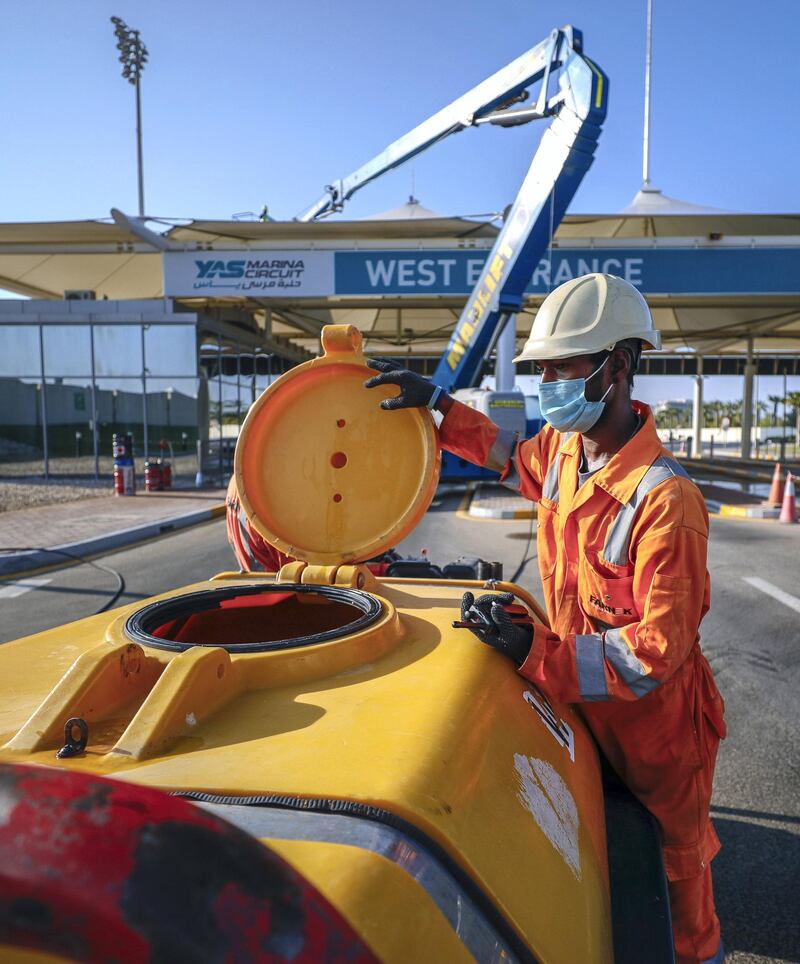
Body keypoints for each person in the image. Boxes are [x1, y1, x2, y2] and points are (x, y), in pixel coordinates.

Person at [364, 273, 726, 964]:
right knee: (598, 863)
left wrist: (540, 655)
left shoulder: (665, 502)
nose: (549, 381)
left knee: (677, 889)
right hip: (583, 714)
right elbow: (506, 455)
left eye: (565, 366)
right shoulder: (565, 452)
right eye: (544, 368)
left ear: (617, 366)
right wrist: (438, 407)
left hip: (659, 740)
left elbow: (655, 652)